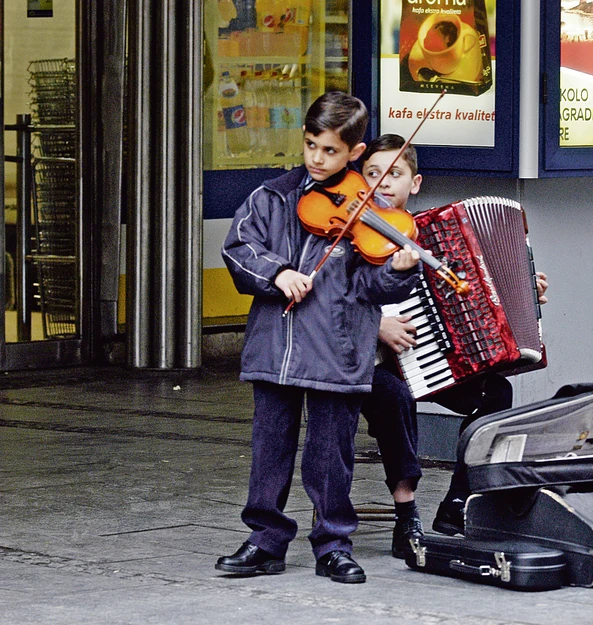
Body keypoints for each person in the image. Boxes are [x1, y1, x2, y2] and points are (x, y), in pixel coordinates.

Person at [215, 93, 421, 583]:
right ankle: (265, 541)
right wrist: (278, 272)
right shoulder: (274, 196)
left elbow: (371, 287)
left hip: (339, 347)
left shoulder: (371, 212)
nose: (316, 159)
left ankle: (333, 544)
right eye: (311, 146)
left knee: (332, 455)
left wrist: (397, 271)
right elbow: (239, 247)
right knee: (270, 448)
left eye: (330, 151)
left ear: (355, 152)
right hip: (277, 346)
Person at [358, 134, 549, 544]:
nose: (384, 183)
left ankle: (457, 503)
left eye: (395, 174)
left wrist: (524, 291)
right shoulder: (351, 236)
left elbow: (477, 295)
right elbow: (332, 295)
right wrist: (375, 324)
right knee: (394, 396)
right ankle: (405, 512)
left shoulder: (436, 233)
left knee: (496, 394)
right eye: (374, 174)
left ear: (416, 182)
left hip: (425, 357)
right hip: (364, 362)